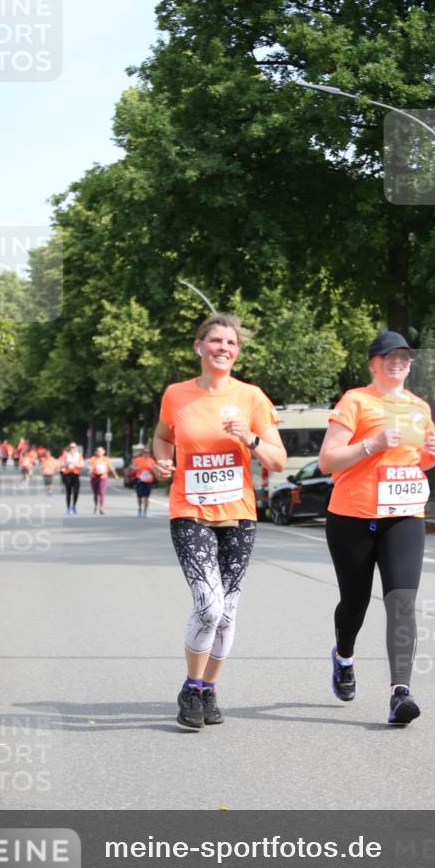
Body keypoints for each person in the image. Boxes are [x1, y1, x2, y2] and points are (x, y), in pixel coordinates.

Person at [153, 313, 286, 730]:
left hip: (239, 516)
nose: (223, 348)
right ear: (199, 348)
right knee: (208, 605)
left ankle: (209, 689)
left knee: (227, 612)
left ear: (237, 352)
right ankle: (191, 687)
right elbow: (161, 436)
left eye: (230, 343)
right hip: (190, 512)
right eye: (215, 341)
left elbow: (277, 461)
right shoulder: (176, 395)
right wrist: (160, 458)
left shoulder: (252, 398)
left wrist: (249, 437)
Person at [318, 330, 435, 726]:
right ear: (373, 363)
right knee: (355, 602)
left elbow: (414, 462)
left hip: (404, 514)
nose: (398, 362)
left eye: (405, 357)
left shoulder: (419, 407)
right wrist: (371, 443)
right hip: (352, 516)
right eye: (389, 356)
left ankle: (400, 693)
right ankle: (344, 655)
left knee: (402, 601)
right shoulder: (356, 401)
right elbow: (327, 462)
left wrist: (432, 457)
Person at [88, 446, 119, 514]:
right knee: (95, 494)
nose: (99, 452)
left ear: (103, 452)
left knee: (102, 493)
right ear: (96, 452)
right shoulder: (93, 459)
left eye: (101, 451)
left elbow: (111, 467)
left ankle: (101, 508)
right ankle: (96, 506)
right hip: (94, 477)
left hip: (103, 477)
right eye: (98, 451)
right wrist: (90, 470)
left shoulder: (106, 459)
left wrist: (115, 475)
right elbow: (90, 466)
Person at [59, 442, 85, 514]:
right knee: (68, 492)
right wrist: (67, 464)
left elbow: (82, 465)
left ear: (76, 448)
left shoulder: (79, 455)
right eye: (70, 447)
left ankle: (74, 506)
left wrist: (77, 465)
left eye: (73, 447)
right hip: (67, 475)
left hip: (76, 474)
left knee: (76, 492)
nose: (72, 448)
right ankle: (68, 508)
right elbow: (61, 465)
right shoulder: (65, 455)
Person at [130, 447, 156, 517]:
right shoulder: (138, 459)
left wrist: (152, 468)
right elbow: (132, 467)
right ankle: (139, 509)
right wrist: (137, 468)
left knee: (146, 497)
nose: (146, 453)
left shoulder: (152, 461)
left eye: (148, 452)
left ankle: (145, 511)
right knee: (139, 497)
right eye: (145, 452)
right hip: (140, 479)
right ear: (142, 453)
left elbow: (155, 470)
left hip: (149, 480)